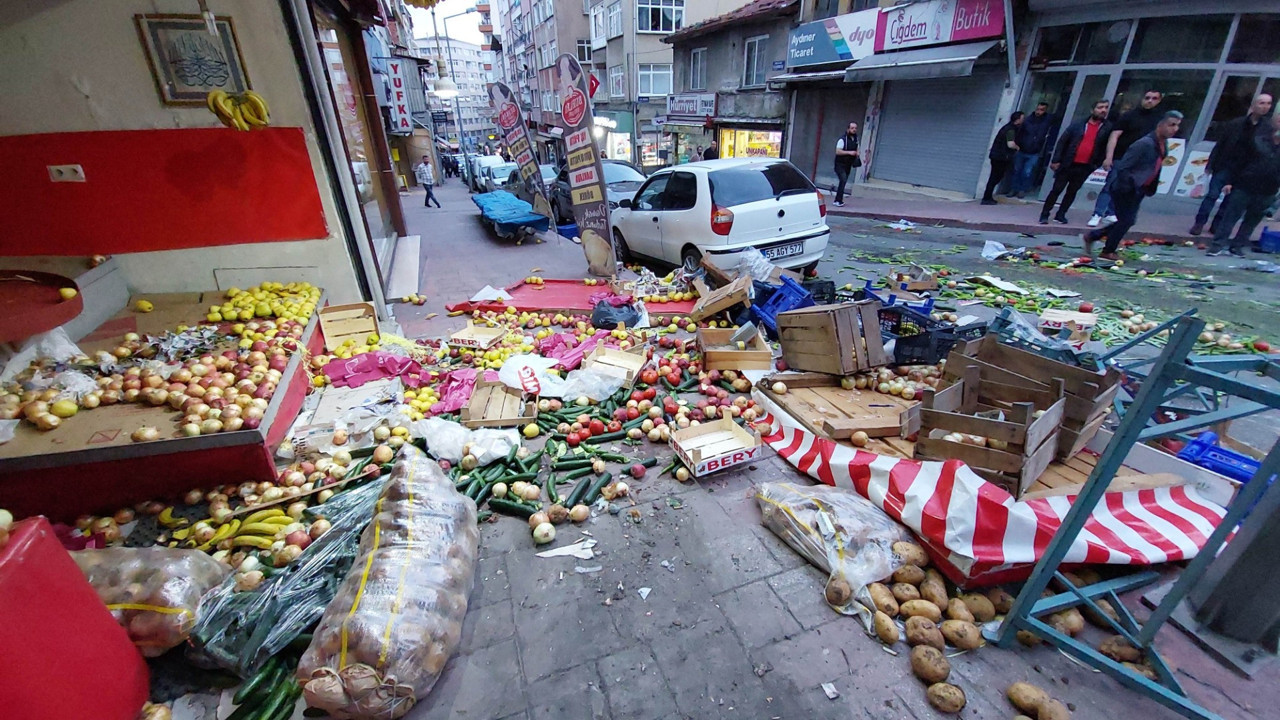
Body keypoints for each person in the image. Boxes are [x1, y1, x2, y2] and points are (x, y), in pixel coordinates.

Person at [1083, 111, 1182, 261]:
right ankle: (1107, 249)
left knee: (1128, 220)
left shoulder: (1162, 144)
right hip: (1127, 187)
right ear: (1160, 125)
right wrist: (1129, 186)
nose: (1174, 129)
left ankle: (1094, 237)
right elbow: (1124, 167)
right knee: (1126, 220)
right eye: (1171, 125)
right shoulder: (1144, 143)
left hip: (1140, 188)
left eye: (1177, 126)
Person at [1192, 93, 1274, 236]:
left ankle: (1216, 225)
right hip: (1225, 164)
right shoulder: (1236, 124)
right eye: (1261, 103)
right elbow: (1220, 145)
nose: (1265, 107)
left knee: (1230, 200)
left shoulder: (1267, 129)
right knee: (1212, 195)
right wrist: (1210, 165)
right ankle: (1199, 223)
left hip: (1244, 170)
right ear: (1253, 105)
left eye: (1268, 103)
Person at [1207, 112, 1280, 257]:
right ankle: (1217, 245)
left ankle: (1237, 246)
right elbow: (1240, 161)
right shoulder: (1258, 140)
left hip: (1268, 190)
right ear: (1274, 123)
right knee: (1230, 216)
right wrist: (1230, 182)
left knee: (1251, 221)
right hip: (1245, 185)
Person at [1089, 89, 1163, 227]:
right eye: (1147, 97)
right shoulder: (1130, 116)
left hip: (1142, 163)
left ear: (1159, 101)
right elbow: (1114, 135)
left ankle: (1111, 212)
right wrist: (1109, 157)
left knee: (1127, 189)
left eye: (1154, 98)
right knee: (1111, 185)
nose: (1149, 101)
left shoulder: (1158, 120)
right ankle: (1097, 213)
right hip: (1122, 158)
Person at [1039, 99, 1112, 224]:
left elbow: (1105, 148)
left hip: (1085, 166)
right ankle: (1045, 214)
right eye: (1100, 107)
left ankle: (1061, 214)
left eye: (1106, 107)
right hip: (1068, 163)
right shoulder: (1078, 124)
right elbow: (1062, 142)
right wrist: (1056, 160)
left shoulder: (1107, 128)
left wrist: (1095, 165)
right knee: (1057, 189)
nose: (1103, 110)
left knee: (1072, 191)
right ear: (1092, 110)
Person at [1010, 102, 1053, 197]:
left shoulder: (1047, 122)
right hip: (1022, 149)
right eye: (1038, 109)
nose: (1038, 112)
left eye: (1042, 110)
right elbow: (1019, 133)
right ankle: (1014, 189)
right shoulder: (1028, 120)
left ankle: (1022, 189)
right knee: (1017, 170)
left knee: (1027, 172)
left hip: (1034, 151)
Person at [981, 112, 1023, 205]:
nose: (1023, 120)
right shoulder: (1010, 130)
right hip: (1000, 157)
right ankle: (986, 198)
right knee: (996, 177)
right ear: (1017, 119)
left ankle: (987, 197)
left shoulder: (1008, 127)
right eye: (1022, 118)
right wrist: (1017, 148)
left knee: (994, 177)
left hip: (997, 156)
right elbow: (1010, 144)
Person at [832, 121, 861, 207]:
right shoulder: (842, 139)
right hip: (840, 164)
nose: (854, 130)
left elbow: (857, 148)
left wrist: (857, 153)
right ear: (848, 129)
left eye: (855, 128)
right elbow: (838, 151)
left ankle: (839, 200)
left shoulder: (855, 139)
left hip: (848, 164)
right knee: (843, 180)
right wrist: (849, 153)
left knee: (843, 181)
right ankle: (838, 200)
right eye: (852, 128)